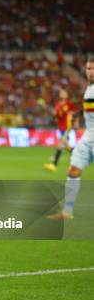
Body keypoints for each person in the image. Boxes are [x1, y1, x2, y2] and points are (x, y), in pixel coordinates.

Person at [48, 58, 94, 220]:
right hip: (89, 136)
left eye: (93, 69)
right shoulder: (89, 89)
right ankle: (67, 212)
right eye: (88, 68)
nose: (90, 72)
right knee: (73, 170)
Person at [44, 89, 75, 172]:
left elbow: (72, 114)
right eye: (61, 93)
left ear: (66, 95)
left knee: (60, 144)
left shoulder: (69, 104)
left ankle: (54, 165)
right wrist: (55, 114)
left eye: (64, 92)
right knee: (68, 148)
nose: (62, 94)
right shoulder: (57, 104)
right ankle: (82, 156)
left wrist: (71, 118)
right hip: (60, 127)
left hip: (67, 127)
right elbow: (57, 115)